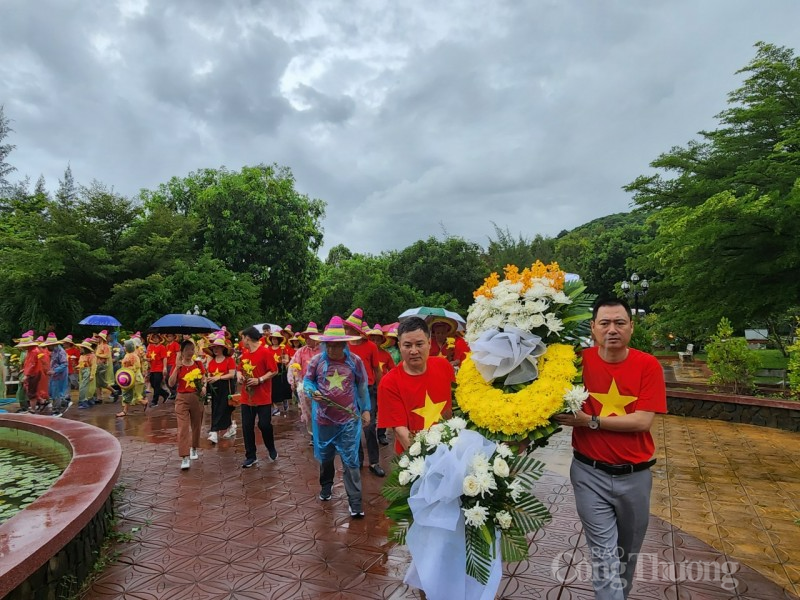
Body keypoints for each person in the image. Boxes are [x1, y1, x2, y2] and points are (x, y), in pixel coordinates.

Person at [553, 298, 667, 600]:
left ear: (631, 327)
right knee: (604, 555)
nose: (612, 329)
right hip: (589, 474)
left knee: (626, 556)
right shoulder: (577, 363)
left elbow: (643, 421)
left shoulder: (648, 365)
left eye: (620, 323)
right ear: (593, 328)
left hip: (636, 477)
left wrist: (589, 421)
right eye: (604, 323)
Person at [303, 316, 370, 518]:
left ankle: (355, 502)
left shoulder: (355, 362)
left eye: (337, 346)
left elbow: (362, 386)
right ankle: (326, 485)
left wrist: (365, 408)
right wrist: (311, 391)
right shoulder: (317, 362)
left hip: (348, 419)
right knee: (326, 456)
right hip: (324, 419)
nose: (332, 350)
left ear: (344, 344)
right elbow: (307, 381)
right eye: (329, 346)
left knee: (351, 459)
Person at [377, 317, 455, 453]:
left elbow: (456, 405)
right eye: (407, 345)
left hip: (450, 449)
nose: (414, 351)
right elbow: (401, 431)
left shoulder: (444, 366)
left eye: (419, 344)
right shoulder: (389, 382)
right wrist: (427, 458)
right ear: (400, 346)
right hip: (415, 459)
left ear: (429, 343)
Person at [343, 308, 385, 477]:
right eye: (346, 329)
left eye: (349, 329)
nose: (347, 331)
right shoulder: (344, 346)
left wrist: (381, 389)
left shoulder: (371, 347)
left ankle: (374, 462)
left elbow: (376, 369)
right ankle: (358, 460)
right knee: (353, 427)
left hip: (367, 390)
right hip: (349, 391)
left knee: (369, 427)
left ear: (356, 330)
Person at [237, 326, 279, 468]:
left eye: (242, 338)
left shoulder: (265, 352)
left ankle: (271, 447)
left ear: (247, 338)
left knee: (264, 424)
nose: (241, 341)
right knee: (247, 426)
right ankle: (250, 456)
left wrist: (259, 380)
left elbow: (274, 370)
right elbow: (239, 370)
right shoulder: (245, 353)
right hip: (246, 397)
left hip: (263, 396)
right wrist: (240, 376)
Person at [168, 339, 207, 470]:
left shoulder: (198, 364)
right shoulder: (178, 366)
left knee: (197, 424)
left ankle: (194, 448)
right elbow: (171, 383)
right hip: (182, 398)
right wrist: (177, 367)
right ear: (182, 352)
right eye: (187, 350)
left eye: (192, 349)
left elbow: (203, 378)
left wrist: (203, 387)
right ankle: (184, 456)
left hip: (196, 397)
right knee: (183, 427)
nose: (190, 352)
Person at [287, 322, 322, 443]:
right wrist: (293, 381)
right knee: (308, 411)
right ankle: (313, 435)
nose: (307, 339)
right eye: (306, 337)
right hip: (305, 385)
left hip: (321, 385)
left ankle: (323, 433)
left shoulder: (323, 351)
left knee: (322, 410)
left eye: (310, 337)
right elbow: (293, 366)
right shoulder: (301, 352)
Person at [205, 336, 238, 443]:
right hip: (214, 388)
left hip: (226, 387)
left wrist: (218, 377)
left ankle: (214, 431)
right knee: (215, 408)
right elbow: (209, 374)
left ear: (223, 348)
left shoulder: (230, 360)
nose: (215, 349)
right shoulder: (212, 362)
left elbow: (232, 374)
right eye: (214, 348)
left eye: (218, 347)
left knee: (224, 408)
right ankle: (229, 427)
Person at [264, 331, 291, 416]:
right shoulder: (268, 349)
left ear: (279, 340)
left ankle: (284, 400)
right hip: (271, 370)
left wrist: (282, 361)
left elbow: (287, 360)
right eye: (273, 339)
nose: (274, 340)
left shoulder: (283, 348)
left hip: (281, 369)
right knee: (272, 388)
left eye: (276, 339)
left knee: (282, 387)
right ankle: (275, 407)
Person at [43, 333, 70, 416]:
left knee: (56, 393)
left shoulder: (60, 351)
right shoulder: (54, 351)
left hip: (59, 375)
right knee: (53, 392)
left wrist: (55, 371)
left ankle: (56, 411)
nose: (47, 347)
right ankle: (64, 403)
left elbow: (65, 364)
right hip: (54, 375)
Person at [117, 339, 145, 417]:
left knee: (129, 394)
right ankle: (143, 402)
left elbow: (137, 366)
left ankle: (125, 411)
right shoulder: (127, 355)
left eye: (125, 346)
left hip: (133, 378)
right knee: (128, 394)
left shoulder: (134, 356)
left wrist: (128, 369)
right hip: (127, 377)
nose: (124, 347)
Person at [146, 334, 169, 407]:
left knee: (156, 384)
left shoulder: (162, 347)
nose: (155, 339)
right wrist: (148, 359)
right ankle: (165, 394)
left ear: (160, 339)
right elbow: (149, 357)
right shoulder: (151, 347)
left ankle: (154, 401)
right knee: (153, 384)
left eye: (156, 338)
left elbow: (164, 358)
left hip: (159, 368)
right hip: (152, 368)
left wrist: (164, 367)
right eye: (154, 338)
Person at [77, 338, 98, 409]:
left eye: (82, 348)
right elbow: (81, 364)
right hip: (82, 372)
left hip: (88, 371)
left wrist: (92, 375)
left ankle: (84, 401)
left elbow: (94, 366)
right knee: (83, 386)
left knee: (87, 387)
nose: (80, 349)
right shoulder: (82, 356)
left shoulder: (92, 356)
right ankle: (86, 400)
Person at [94, 330, 114, 402]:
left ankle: (114, 391)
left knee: (102, 382)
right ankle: (99, 397)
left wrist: (97, 355)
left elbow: (107, 355)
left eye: (99, 337)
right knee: (97, 382)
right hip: (97, 365)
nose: (98, 338)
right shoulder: (99, 346)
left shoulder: (106, 346)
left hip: (102, 365)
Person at [164, 333, 180, 399]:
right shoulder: (167, 345)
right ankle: (173, 392)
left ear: (174, 337)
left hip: (173, 364)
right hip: (167, 364)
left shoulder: (175, 344)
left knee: (172, 378)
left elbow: (178, 353)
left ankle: (175, 392)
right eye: (168, 336)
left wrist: (177, 362)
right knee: (166, 379)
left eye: (170, 336)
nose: (169, 337)